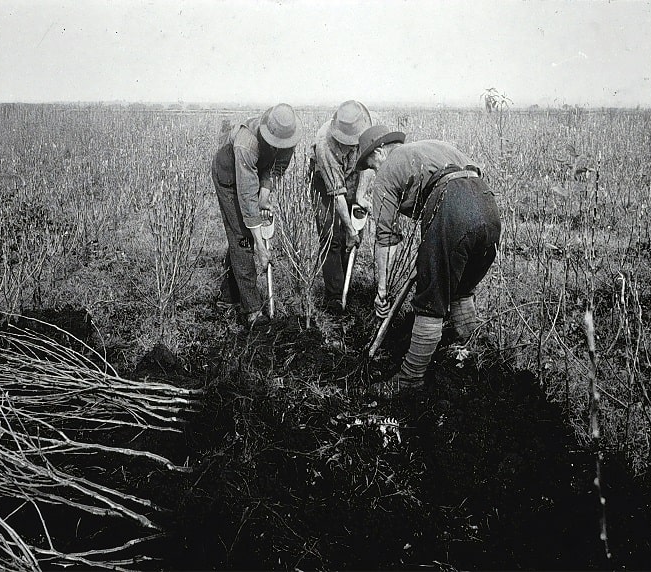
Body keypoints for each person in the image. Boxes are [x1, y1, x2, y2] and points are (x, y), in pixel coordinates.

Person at [356, 125, 502, 396]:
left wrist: (382, 292)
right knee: (459, 290)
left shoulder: (388, 170)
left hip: (451, 207)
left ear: (379, 152)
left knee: (430, 302)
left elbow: (385, 238)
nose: (375, 172)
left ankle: (410, 379)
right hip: (488, 209)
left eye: (371, 166)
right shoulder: (433, 147)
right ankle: (476, 358)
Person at [211, 103, 301, 328]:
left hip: (252, 173)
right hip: (229, 177)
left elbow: (273, 169)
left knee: (242, 239)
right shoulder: (247, 143)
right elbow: (246, 200)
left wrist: (265, 197)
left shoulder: (288, 138)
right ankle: (252, 310)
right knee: (242, 238)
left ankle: (227, 298)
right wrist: (261, 246)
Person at [309, 100, 373, 315]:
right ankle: (334, 296)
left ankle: (345, 280)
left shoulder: (367, 129)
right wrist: (349, 227)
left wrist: (361, 195)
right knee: (331, 236)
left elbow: (368, 165)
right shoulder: (324, 144)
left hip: (354, 176)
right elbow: (336, 194)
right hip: (324, 181)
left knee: (352, 235)